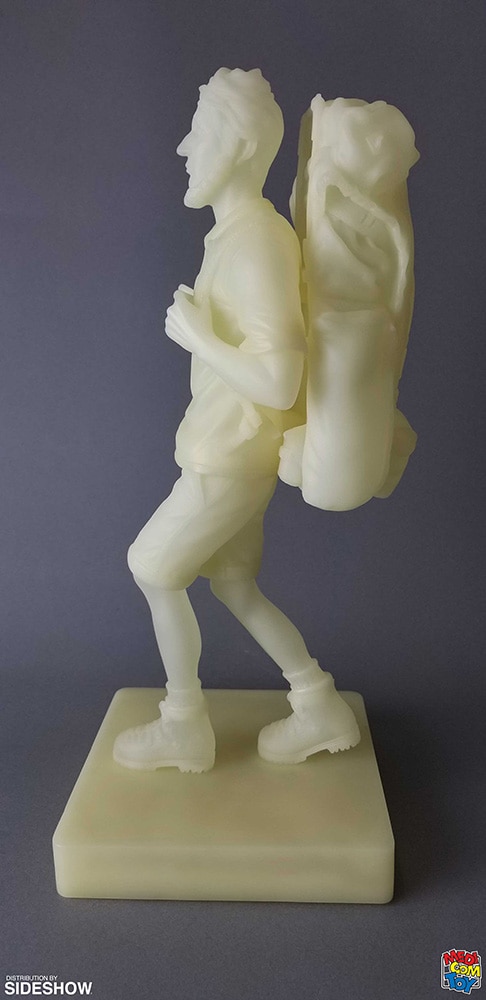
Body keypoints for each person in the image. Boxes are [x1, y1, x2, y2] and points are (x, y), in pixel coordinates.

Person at [113, 68, 360, 773]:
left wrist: (200, 338)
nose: (185, 148)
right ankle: (318, 702)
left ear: (240, 145)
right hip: (234, 449)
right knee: (234, 584)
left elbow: (280, 379)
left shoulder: (256, 241)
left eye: (200, 132)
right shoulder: (236, 235)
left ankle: (184, 725)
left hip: (229, 456)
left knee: (153, 568)